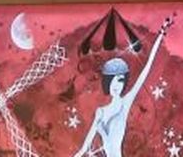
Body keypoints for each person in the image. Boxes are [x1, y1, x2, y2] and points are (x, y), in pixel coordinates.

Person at [73, 18, 173, 157]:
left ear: (124, 82)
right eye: (112, 81)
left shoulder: (125, 103)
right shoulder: (100, 112)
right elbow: (85, 147)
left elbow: (146, 70)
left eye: (119, 80)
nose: (116, 85)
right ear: (108, 82)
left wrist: (160, 36)